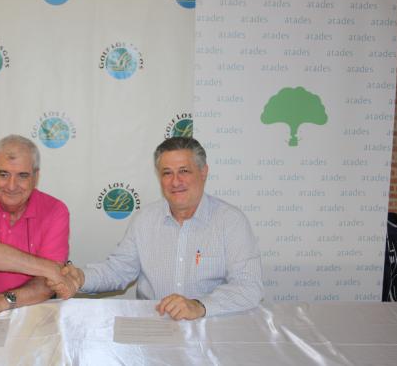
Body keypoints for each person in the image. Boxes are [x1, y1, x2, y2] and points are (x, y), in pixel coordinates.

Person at [50, 137, 262, 320]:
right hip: (155, 326)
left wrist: (199, 306)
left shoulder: (230, 221)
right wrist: (81, 277)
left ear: (203, 172)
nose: (175, 182)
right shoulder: (145, 220)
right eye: (167, 173)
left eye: (184, 171)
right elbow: (118, 270)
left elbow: (249, 287)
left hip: (211, 325)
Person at [0, 134, 74, 316]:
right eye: (3, 174)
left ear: (36, 176)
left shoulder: (55, 210)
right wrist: (50, 268)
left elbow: (48, 284)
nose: (11, 186)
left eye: (22, 176)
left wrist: (1, 301)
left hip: (30, 311)